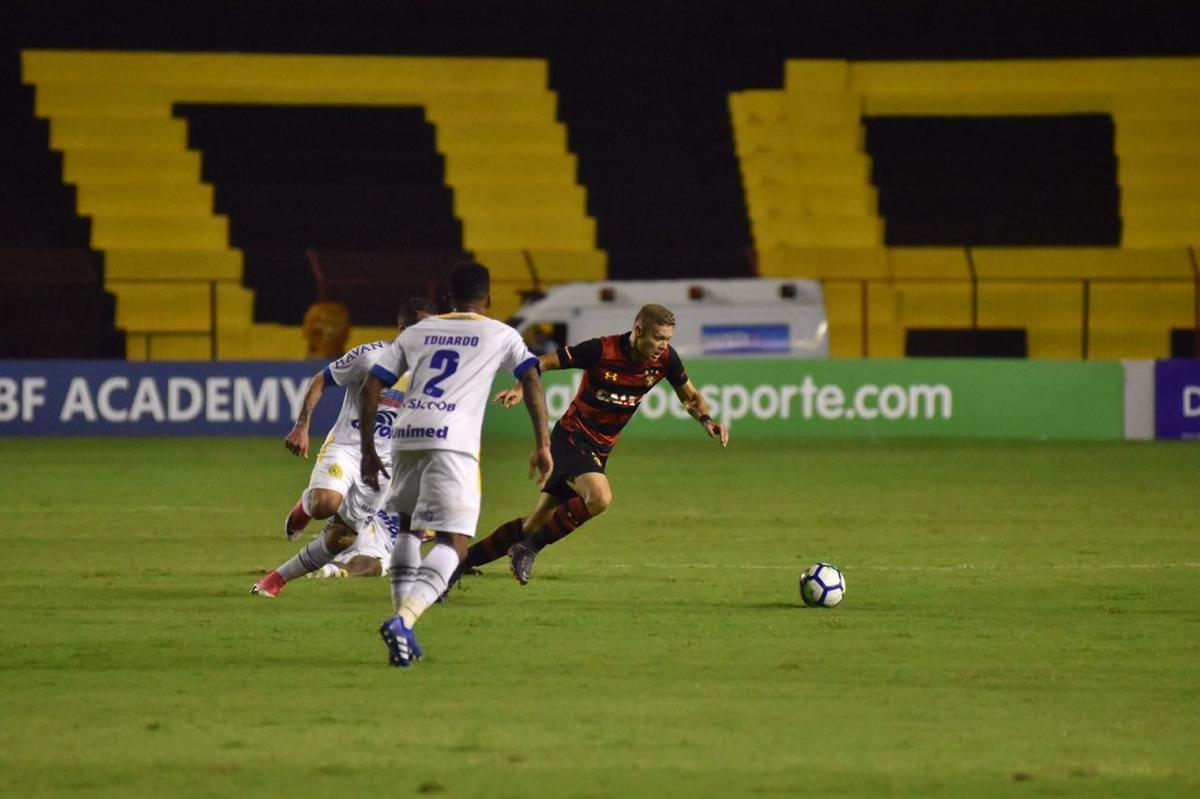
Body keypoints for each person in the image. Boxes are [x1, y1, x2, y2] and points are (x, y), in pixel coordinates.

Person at [360, 260, 552, 668]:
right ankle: (403, 621)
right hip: (452, 441)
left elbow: (373, 383)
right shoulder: (501, 333)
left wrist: (367, 450)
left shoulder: (417, 331)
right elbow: (532, 378)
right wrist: (542, 444)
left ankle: (403, 632)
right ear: (489, 298)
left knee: (409, 529)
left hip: (405, 435)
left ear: (447, 298)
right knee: (453, 543)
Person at [456, 303, 729, 587]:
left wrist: (707, 420)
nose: (664, 345)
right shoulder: (601, 350)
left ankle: (457, 564)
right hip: (572, 437)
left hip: (599, 450)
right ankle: (528, 549)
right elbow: (540, 363)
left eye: (668, 339)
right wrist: (519, 387)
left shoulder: (664, 360)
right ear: (638, 331)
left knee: (534, 524)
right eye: (659, 338)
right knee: (599, 498)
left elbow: (692, 397)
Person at [251, 297, 437, 598]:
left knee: (341, 539)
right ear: (402, 330)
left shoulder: (434, 376)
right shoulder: (370, 356)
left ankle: (277, 579)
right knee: (326, 503)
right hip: (348, 448)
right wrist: (302, 426)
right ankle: (308, 506)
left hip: (386, 466)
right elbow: (321, 380)